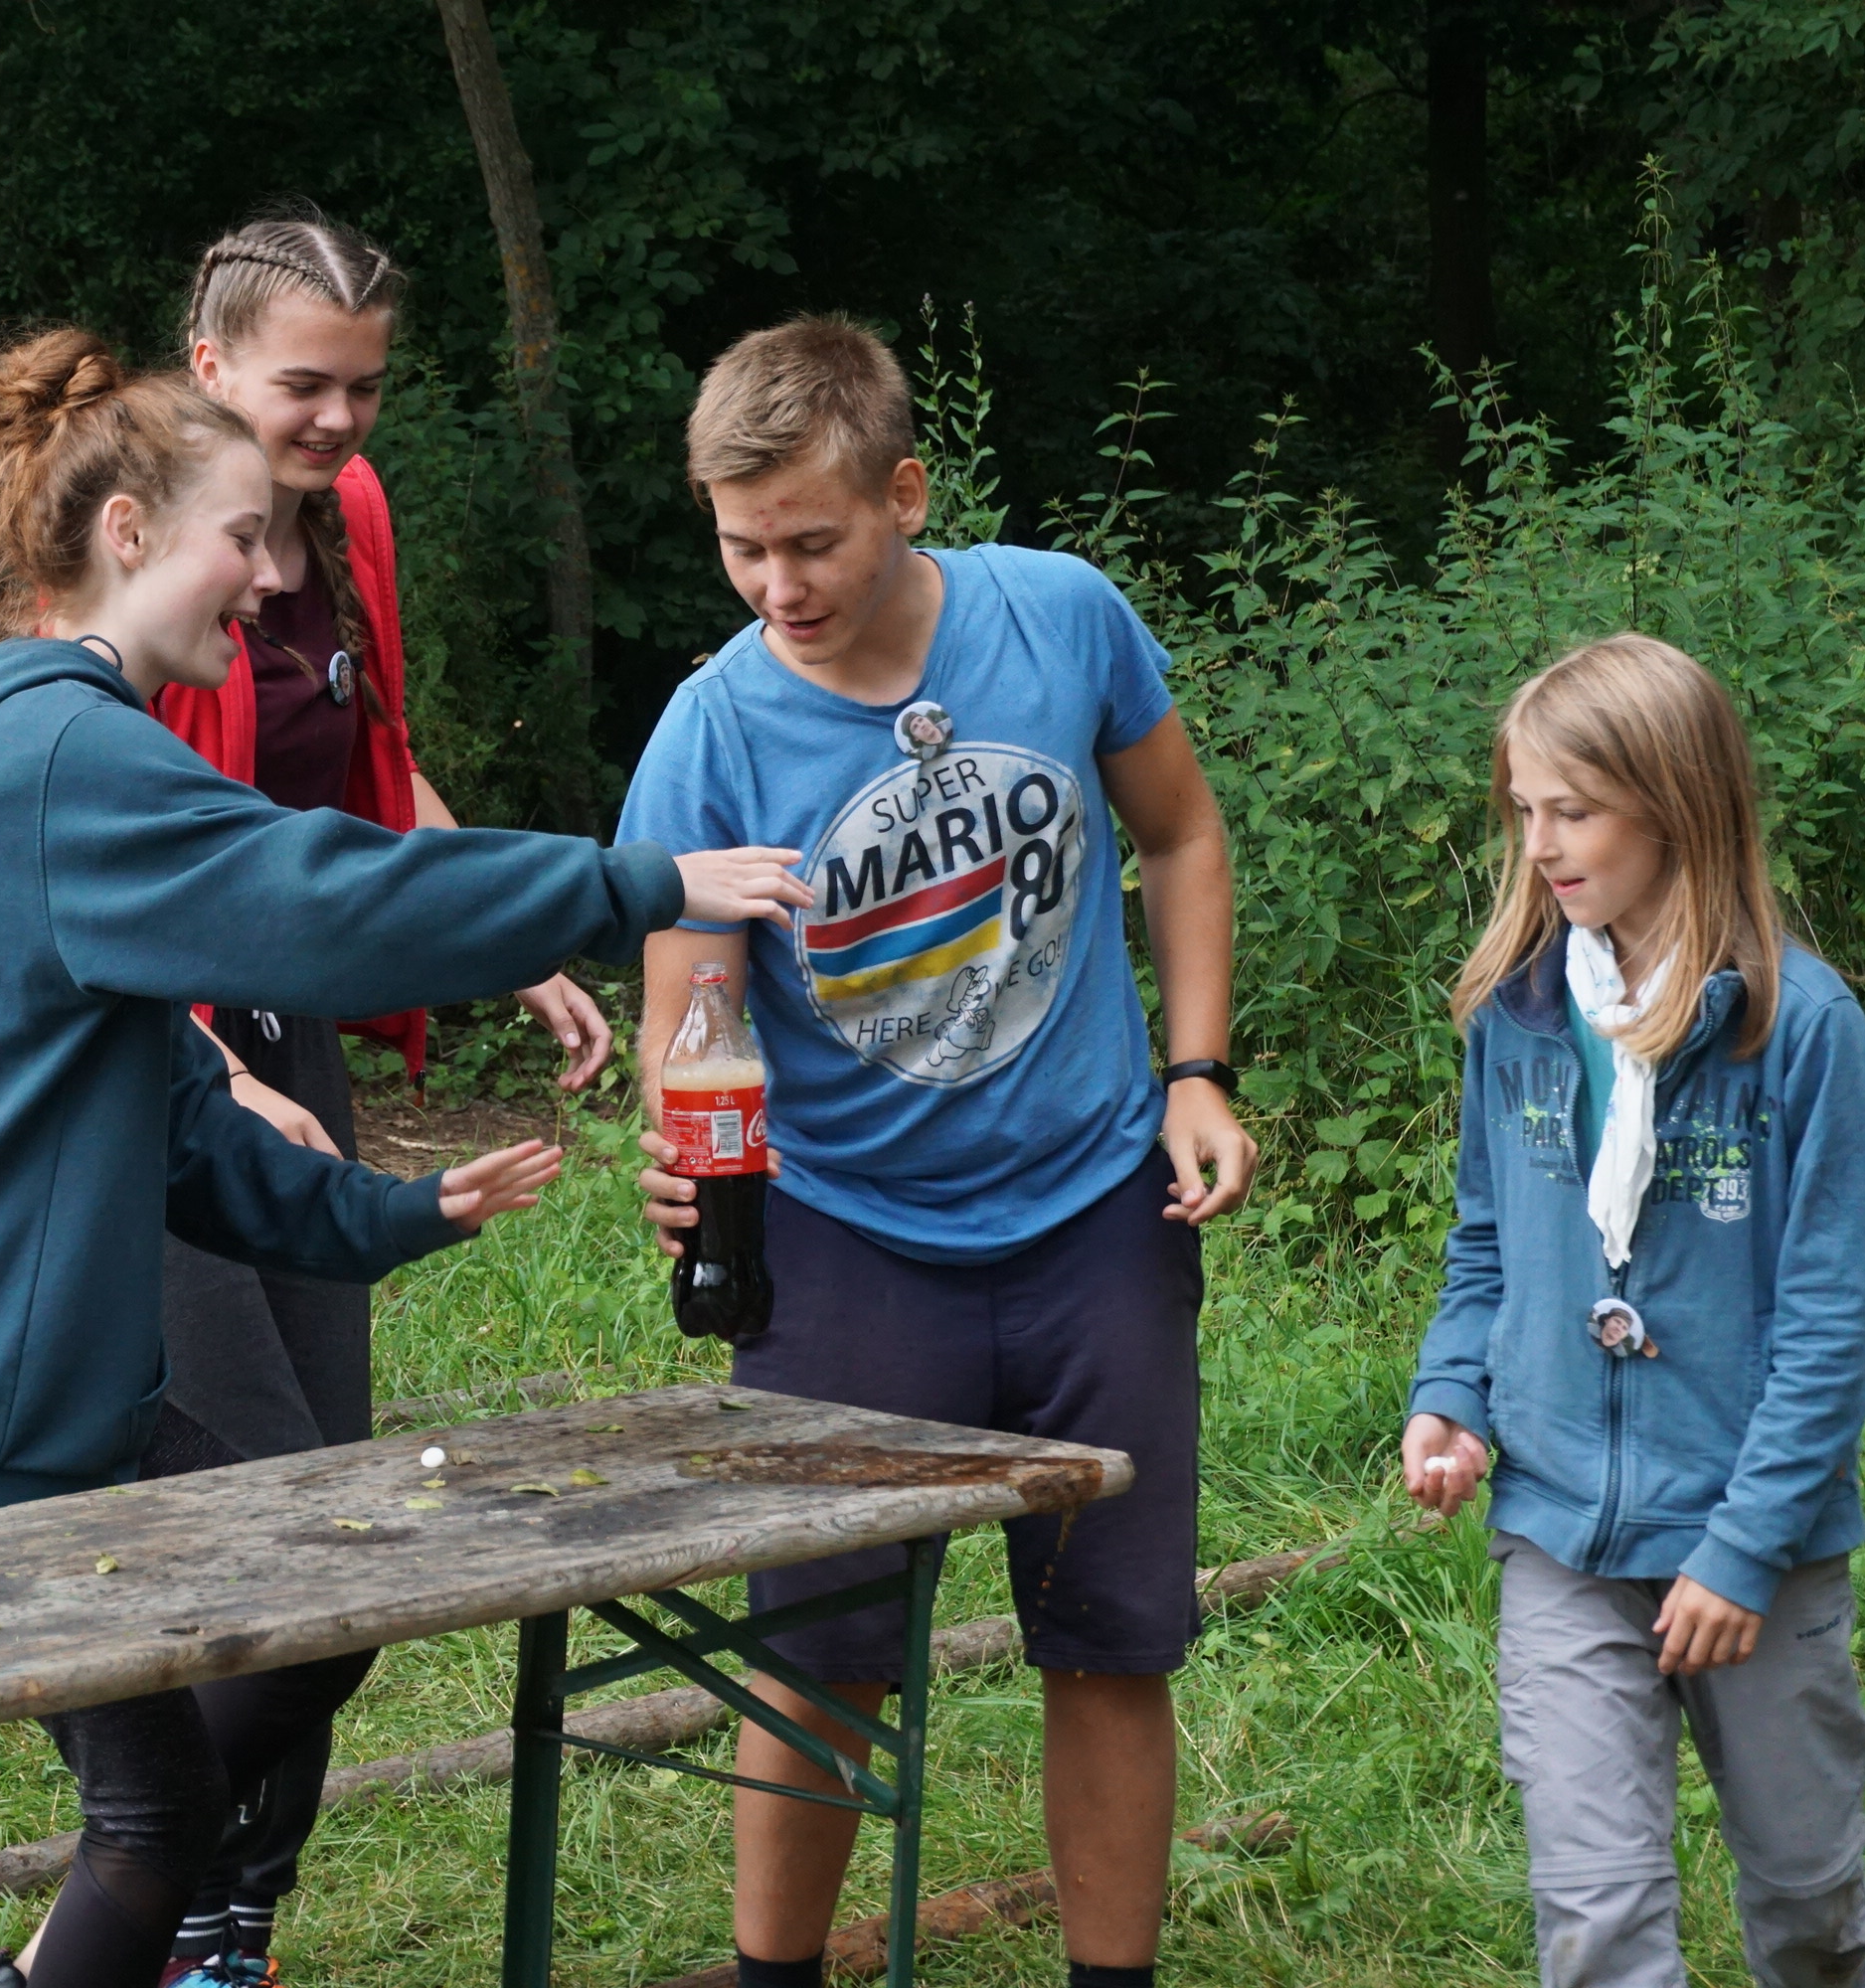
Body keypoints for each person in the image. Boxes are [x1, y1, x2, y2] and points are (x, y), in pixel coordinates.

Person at [0, 326, 810, 1988]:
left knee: (307, 1631)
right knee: (158, 1813)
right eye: (241, 536)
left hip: (5, 1370)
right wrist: (636, 883)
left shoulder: (45, 750)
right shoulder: (69, 757)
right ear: (130, 534)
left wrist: (388, 1213)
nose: (271, 582)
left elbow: (180, 1126)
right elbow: (333, 901)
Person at [615, 316, 1255, 1988]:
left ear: (903, 495)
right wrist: (682, 1149)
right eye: (742, 549)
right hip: (841, 1241)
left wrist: (1196, 1074)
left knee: (1109, 1642)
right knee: (818, 1654)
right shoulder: (710, 735)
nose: (777, 586)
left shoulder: (1059, 618)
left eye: (811, 543)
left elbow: (1180, 833)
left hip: (1094, 1215)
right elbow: (689, 1020)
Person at [142, 209, 615, 1985]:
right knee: (273, 1513)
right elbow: (73, 868)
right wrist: (212, 1080)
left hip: (290, 1039)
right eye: (302, 386)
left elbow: (374, 774)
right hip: (140, 1061)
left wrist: (503, 925)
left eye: (363, 388)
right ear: (207, 366)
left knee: (334, 1506)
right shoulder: (127, 530)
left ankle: (230, 1922)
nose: (338, 420)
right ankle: (135, 1893)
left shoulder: (348, 517)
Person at [1404, 636, 1865, 1988]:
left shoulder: (1801, 1030)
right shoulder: (1516, 1013)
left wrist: (1742, 1548)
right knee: (1597, 1914)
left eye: (1574, 810)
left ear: (1677, 803)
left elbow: (1831, 1325)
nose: (1539, 846)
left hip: (1757, 1542)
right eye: (1523, 809)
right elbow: (1487, 1242)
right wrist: (1452, 1395)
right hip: (1560, 1527)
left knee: (1808, 1907)